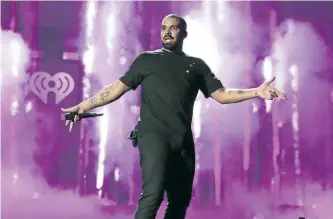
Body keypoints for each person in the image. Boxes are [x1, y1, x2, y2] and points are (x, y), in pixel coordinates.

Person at [61, 14, 287, 219]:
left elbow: (222, 95)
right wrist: (83, 106)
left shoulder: (196, 65)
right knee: (153, 193)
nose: (167, 31)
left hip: (182, 139)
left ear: (184, 34)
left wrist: (256, 92)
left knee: (180, 200)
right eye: (163, 28)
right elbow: (115, 89)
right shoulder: (146, 60)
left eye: (174, 28)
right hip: (153, 135)